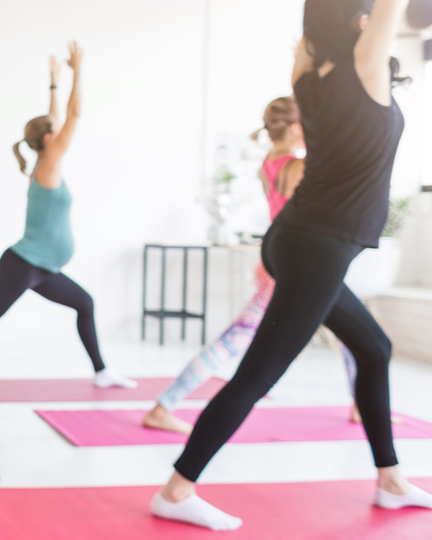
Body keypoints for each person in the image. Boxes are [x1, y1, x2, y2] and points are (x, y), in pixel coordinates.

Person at [151, 0, 432, 531]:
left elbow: (323, 22)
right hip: (317, 247)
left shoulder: (307, 73)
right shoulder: (364, 72)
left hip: (297, 240)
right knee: (258, 374)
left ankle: (391, 480)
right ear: (357, 22)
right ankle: (176, 490)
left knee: (374, 348)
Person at [142, 96, 361, 435]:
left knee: (355, 337)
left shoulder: (269, 162)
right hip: (295, 270)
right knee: (235, 341)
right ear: (295, 128)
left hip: (285, 265)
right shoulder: (295, 166)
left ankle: (362, 405)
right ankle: (163, 406)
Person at [0, 45, 136, 390]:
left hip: (43, 268)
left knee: (85, 304)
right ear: (49, 139)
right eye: (55, 130)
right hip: (24, 265)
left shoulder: (44, 160)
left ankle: (101, 371)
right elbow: (73, 115)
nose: (61, 130)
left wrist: (54, 82)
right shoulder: (48, 164)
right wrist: (78, 71)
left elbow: (54, 118)